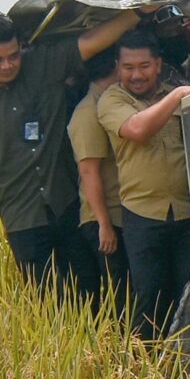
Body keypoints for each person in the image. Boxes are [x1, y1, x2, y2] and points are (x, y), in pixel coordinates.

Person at [0, 6, 136, 294]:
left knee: (90, 289)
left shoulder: (41, 65)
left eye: (13, 56)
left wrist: (140, 12)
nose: (8, 65)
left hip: (67, 204)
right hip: (22, 216)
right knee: (48, 299)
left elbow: (91, 42)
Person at [96, 29, 190, 337]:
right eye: (128, 67)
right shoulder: (112, 100)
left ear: (158, 64)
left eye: (144, 66)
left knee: (189, 296)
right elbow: (137, 129)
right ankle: (144, 368)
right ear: (118, 67)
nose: (136, 75)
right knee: (149, 297)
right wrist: (176, 97)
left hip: (187, 213)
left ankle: (185, 364)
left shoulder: (179, 93)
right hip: (142, 216)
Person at [68, 51, 129, 309]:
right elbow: (89, 171)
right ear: (115, 66)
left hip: (118, 214)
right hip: (104, 219)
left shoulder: (107, 103)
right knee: (119, 290)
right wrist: (104, 224)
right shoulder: (88, 112)